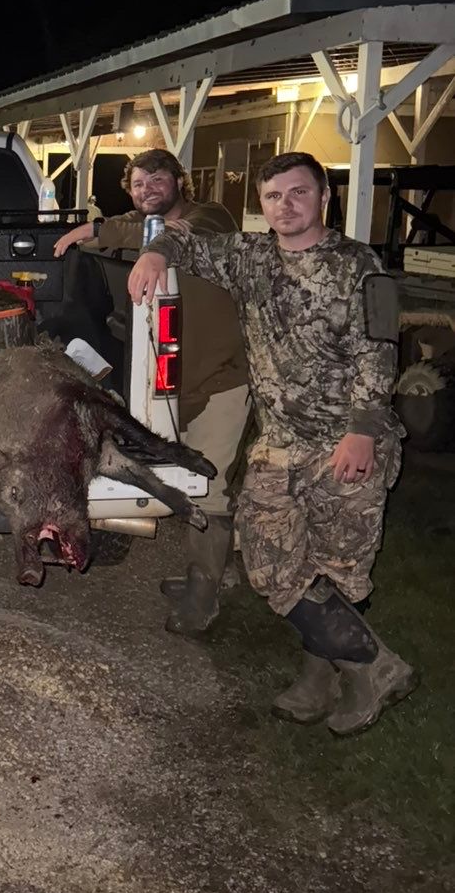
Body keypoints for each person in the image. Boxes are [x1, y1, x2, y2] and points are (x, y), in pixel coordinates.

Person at [128, 151, 415, 737]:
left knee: (338, 571)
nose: (287, 206)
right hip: (280, 445)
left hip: (347, 446)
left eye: (299, 193)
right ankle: (375, 665)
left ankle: (324, 680)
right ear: (261, 206)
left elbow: (381, 349)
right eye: (274, 197)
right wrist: (157, 250)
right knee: (269, 565)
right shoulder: (251, 256)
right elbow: (186, 241)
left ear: (324, 197)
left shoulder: (360, 265)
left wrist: (363, 429)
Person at [54, 149, 251, 634]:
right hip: (175, 387)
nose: (148, 191)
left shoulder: (211, 217)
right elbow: (130, 226)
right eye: (139, 184)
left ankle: (202, 599)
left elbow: (178, 236)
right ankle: (213, 573)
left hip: (222, 379)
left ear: (179, 181)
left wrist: (153, 251)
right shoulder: (144, 226)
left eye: (158, 180)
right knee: (196, 474)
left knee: (211, 488)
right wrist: (90, 231)